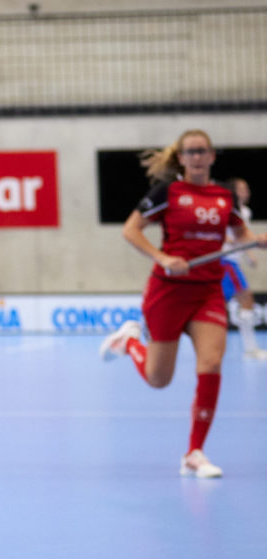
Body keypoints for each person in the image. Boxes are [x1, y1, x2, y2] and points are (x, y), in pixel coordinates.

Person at [100, 129, 266, 478]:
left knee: (211, 362)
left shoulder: (224, 196)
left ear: (211, 156)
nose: (195, 157)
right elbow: (131, 230)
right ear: (181, 158)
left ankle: (194, 452)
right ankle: (129, 341)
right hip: (169, 291)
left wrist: (256, 241)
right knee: (158, 379)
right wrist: (162, 257)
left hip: (207, 291)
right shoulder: (168, 192)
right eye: (189, 152)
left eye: (201, 151)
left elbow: (240, 236)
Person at [219, 178, 265, 359]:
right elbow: (222, 234)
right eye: (240, 189)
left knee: (222, 305)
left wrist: (249, 255)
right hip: (225, 261)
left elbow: (241, 236)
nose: (245, 191)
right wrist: (242, 243)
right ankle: (250, 349)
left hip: (233, 261)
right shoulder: (225, 208)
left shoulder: (245, 211)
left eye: (246, 188)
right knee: (246, 300)